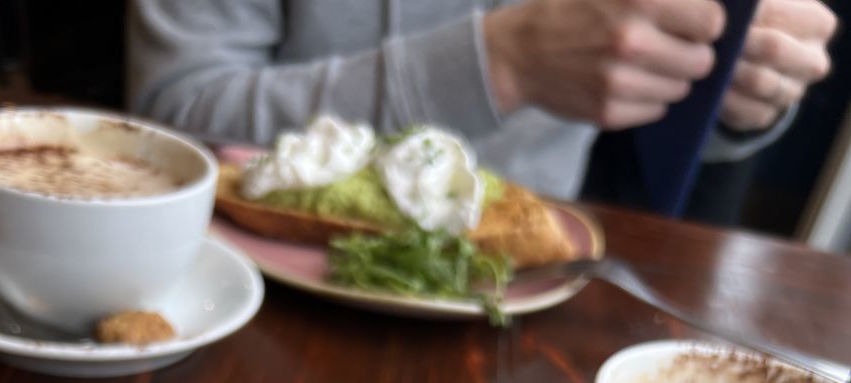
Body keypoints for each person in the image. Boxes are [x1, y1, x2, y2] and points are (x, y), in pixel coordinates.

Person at [127, 0, 837, 200]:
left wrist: (740, 91)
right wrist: (496, 65)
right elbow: (171, 116)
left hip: (532, 285)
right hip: (253, 277)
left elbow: (670, 111)